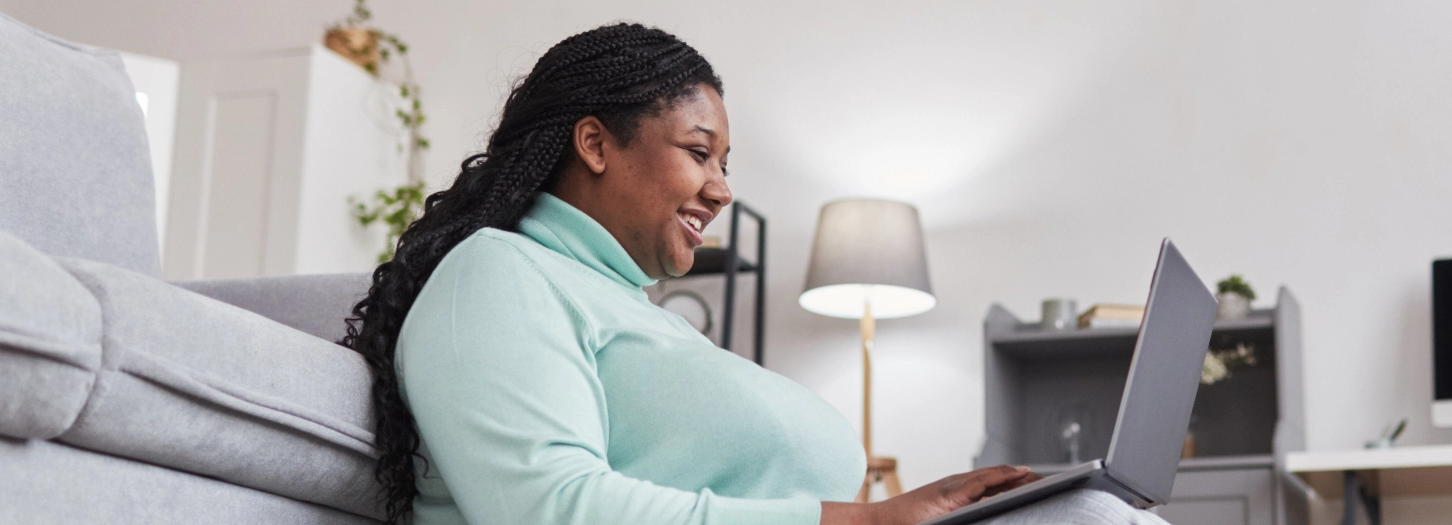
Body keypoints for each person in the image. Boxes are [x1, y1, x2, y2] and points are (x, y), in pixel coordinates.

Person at [339, 23, 1051, 525]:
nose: (721, 189)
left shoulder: (633, 308)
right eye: (700, 152)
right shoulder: (497, 274)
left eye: (724, 163)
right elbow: (551, 509)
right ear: (594, 143)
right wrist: (862, 521)